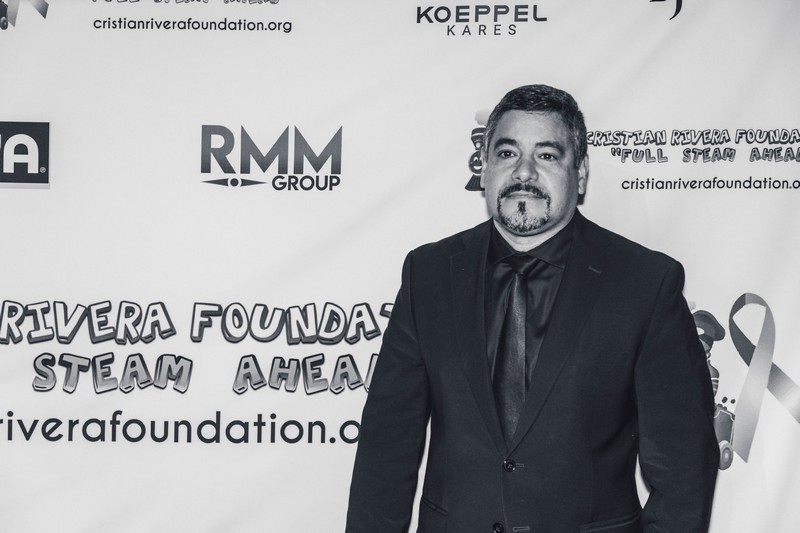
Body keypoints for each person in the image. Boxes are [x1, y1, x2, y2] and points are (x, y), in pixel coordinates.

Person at [346, 84, 718, 533]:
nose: (524, 171)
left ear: (580, 173)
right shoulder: (429, 274)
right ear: (484, 168)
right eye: (507, 153)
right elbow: (387, 448)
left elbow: (684, 468)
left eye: (547, 155)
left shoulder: (644, 283)